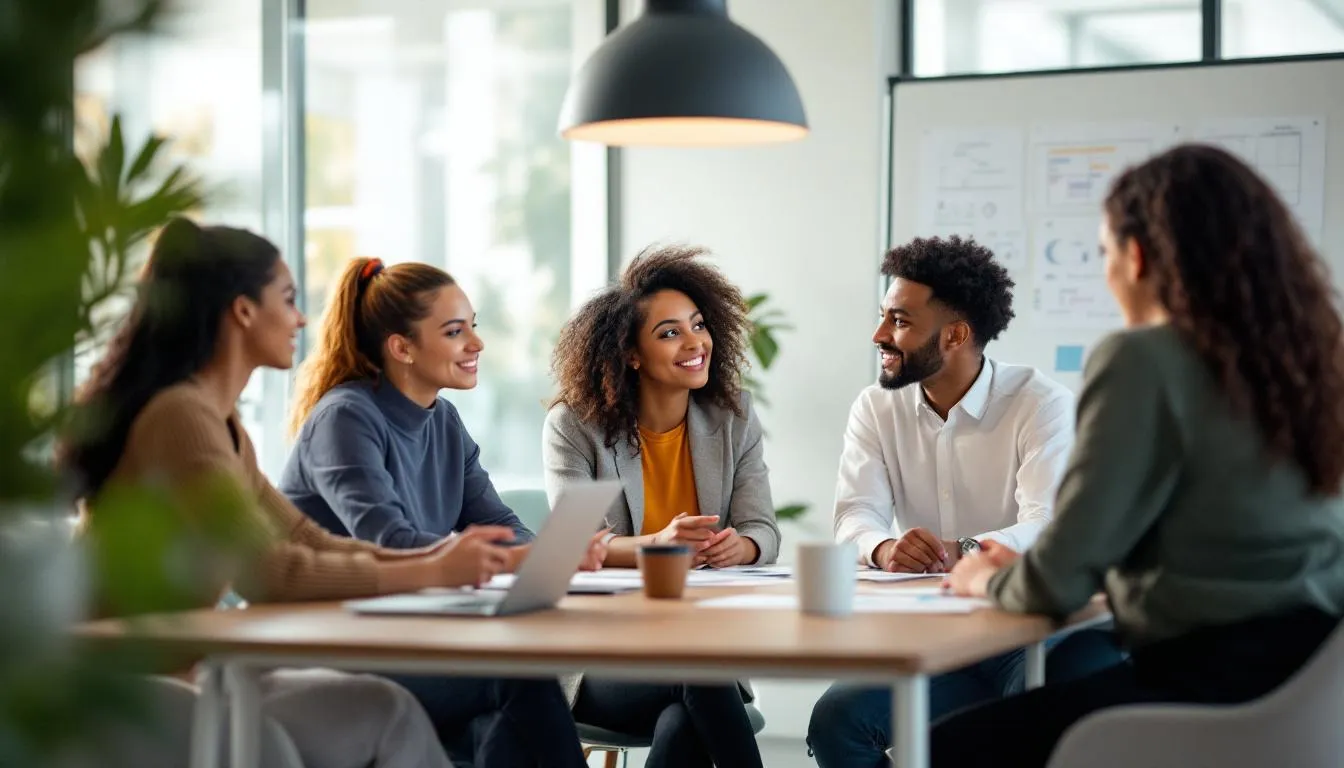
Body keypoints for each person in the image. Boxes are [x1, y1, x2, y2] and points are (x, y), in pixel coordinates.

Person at [58, 218, 583, 768]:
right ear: (243, 311)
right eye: (287, 299)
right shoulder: (181, 417)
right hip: (124, 688)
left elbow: (304, 538)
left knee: (390, 712)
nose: (301, 318)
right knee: (395, 710)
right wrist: (433, 568)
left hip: (194, 673)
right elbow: (269, 574)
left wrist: (441, 562)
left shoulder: (222, 423)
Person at [936, 143, 1344, 767]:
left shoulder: (1142, 359)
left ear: (1138, 256)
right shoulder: (1311, 357)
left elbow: (1060, 581)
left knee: (945, 746)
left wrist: (984, 576)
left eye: (1104, 253)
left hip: (1210, 684)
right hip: (1314, 685)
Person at [807, 235, 1121, 767]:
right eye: (884, 317)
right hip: (940, 635)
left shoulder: (1040, 404)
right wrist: (884, 548)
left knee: (1023, 726)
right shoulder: (875, 408)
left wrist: (965, 550)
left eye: (899, 321)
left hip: (1034, 634)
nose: (879, 335)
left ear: (955, 334)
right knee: (839, 722)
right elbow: (855, 514)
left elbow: (1049, 521)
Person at [279, 256, 596, 766]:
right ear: (401, 347)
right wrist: (520, 560)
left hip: (409, 634)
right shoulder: (345, 418)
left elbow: (499, 522)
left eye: (473, 326)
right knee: (517, 680)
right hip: (338, 647)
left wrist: (551, 556)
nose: (477, 344)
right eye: (455, 332)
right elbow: (391, 543)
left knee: (505, 716)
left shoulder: (443, 420)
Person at [543, 245, 775, 768]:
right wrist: (658, 545)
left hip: (699, 648)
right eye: (670, 333)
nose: (694, 343)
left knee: (682, 721)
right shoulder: (574, 427)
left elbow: (763, 528)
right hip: (601, 657)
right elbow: (573, 546)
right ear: (631, 353)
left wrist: (741, 546)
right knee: (698, 676)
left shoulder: (733, 417)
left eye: (698, 325)